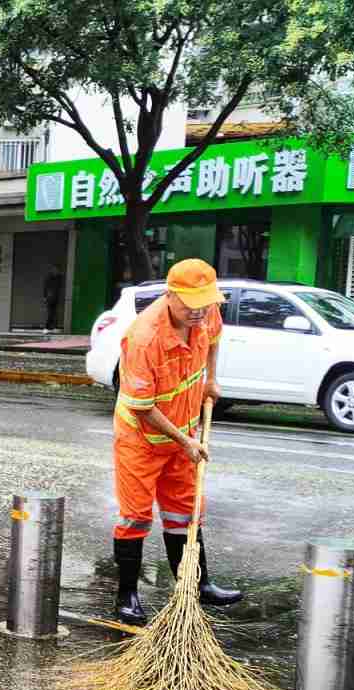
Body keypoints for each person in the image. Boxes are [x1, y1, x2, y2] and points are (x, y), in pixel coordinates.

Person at [112, 258, 242, 626]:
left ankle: (196, 585)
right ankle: (127, 595)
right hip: (141, 438)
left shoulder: (205, 312)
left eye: (205, 303)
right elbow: (142, 406)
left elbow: (214, 338)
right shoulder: (144, 338)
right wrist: (184, 440)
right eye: (190, 304)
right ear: (170, 295)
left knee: (185, 513)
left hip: (183, 435)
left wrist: (211, 379)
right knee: (135, 516)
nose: (199, 312)